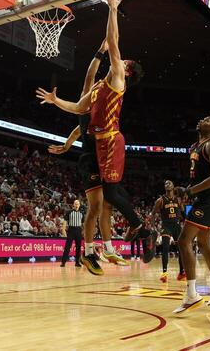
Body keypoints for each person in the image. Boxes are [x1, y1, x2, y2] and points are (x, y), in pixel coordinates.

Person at [36, 0, 157, 264]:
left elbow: (113, 43)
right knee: (107, 197)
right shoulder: (101, 86)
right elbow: (79, 108)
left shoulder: (118, 79)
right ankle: (126, 234)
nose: (121, 58)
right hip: (100, 143)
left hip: (111, 140)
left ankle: (141, 229)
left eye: (124, 61)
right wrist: (56, 101)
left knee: (110, 194)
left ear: (126, 70)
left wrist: (112, 9)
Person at [49, 39, 127, 276]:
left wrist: (66, 144)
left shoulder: (99, 106)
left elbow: (76, 131)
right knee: (94, 207)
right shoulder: (88, 99)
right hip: (90, 157)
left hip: (104, 155)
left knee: (108, 206)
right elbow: (89, 76)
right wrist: (100, 51)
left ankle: (108, 248)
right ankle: (89, 252)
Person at [173, 116, 210, 314]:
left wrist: (191, 192)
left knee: (183, 241)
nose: (202, 119)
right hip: (203, 199)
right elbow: (200, 176)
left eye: (209, 119)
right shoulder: (194, 147)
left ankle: (192, 294)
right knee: (203, 243)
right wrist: (186, 190)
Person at [150, 180, 186, 283]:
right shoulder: (160, 200)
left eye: (169, 183)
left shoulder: (178, 200)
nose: (167, 184)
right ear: (164, 187)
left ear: (173, 186)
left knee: (181, 250)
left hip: (176, 225)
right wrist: (153, 227)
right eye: (165, 183)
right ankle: (164, 273)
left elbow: (184, 214)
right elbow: (152, 214)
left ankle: (181, 273)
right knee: (165, 248)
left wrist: (188, 223)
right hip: (166, 226)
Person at [60, 199, 84, 267]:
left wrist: (84, 231)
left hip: (78, 230)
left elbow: (83, 223)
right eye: (75, 204)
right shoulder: (69, 212)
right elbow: (65, 221)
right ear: (73, 205)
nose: (76, 205)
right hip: (71, 230)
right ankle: (63, 262)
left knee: (78, 247)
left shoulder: (82, 213)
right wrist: (63, 229)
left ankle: (77, 262)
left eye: (78, 204)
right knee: (67, 247)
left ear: (79, 205)